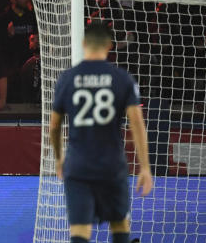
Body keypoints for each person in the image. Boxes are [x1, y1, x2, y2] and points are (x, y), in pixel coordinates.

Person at [49, 23, 153, 243]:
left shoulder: (67, 78)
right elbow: (137, 125)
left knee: (80, 231)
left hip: (78, 167)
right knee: (119, 225)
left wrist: (59, 159)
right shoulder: (122, 78)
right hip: (111, 166)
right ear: (109, 46)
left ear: (84, 43)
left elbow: (55, 126)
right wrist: (144, 167)